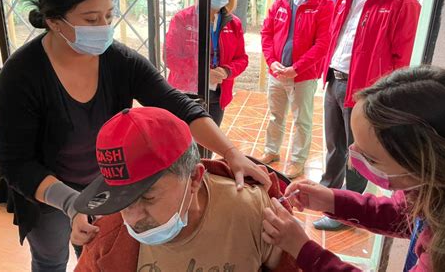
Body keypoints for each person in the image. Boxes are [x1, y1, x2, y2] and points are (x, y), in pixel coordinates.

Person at [0, 0, 270, 272]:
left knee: (97, 254)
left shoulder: (118, 60)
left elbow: (176, 104)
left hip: (106, 184)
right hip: (47, 192)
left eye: (108, 16)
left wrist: (230, 152)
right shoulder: (22, 76)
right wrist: (71, 203)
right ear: (55, 22)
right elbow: (14, 162)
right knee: (50, 259)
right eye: (91, 19)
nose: (104, 27)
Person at [262, 65, 445, 271]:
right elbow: (404, 215)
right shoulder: (432, 186)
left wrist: (303, 250)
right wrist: (332, 200)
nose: (353, 162)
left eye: (372, 158)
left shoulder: (443, 251)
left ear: (422, 164)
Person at [74, 107, 300, 271]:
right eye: (122, 201)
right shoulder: (106, 239)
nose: (133, 218)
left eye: (148, 197)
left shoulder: (256, 214)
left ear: (194, 177)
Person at [316, 0, 422, 231]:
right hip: (334, 81)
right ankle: (327, 197)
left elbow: (401, 60)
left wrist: (382, 100)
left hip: (365, 92)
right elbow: (337, 38)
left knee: (358, 154)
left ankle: (350, 210)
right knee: (335, 147)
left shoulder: (403, 3)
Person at [258, 0, 334, 178]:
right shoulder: (280, 1)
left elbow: (323, 44)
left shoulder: (324, 5)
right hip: (277, 73)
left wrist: (296, 68)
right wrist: (272, 62)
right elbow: (266, 33)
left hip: (303, 76)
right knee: (275, 115)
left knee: (302, 120)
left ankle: (297, 161)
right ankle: (271, 151)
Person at [164, 0, 248, 126]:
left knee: (208, 146)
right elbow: (170, 57)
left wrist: (225, 71)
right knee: (184, 145)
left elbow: (242, 59)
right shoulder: (183, 19)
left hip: (217, 96)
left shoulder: (233, 24)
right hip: (185, 94)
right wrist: (203, 72)